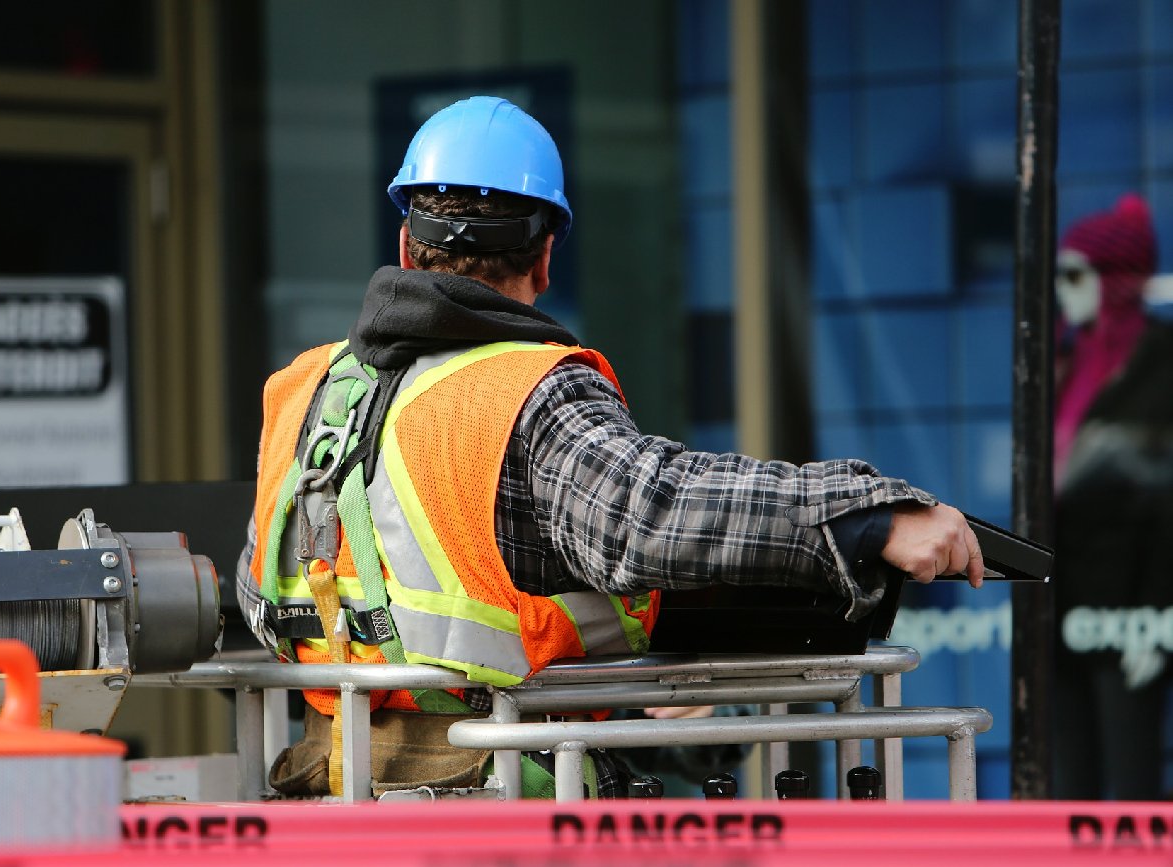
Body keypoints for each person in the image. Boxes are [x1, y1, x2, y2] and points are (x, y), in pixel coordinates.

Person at [235, 95, 984, 800]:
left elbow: (259, 583)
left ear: (405, 242)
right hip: (497, 803)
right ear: (546, 257)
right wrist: (869, 515)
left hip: (330, 795)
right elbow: (646, 513)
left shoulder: (303, 391)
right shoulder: (526, 391)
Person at [1051, 194, 1173, 800]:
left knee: (1130, 786)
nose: (1062, 291)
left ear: (1113, 279)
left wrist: (1155, 617)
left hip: (1130, 606)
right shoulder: (1063, 364)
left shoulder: (1162, 365)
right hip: (1061, 603)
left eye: (1074, 274)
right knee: (1065, 783)